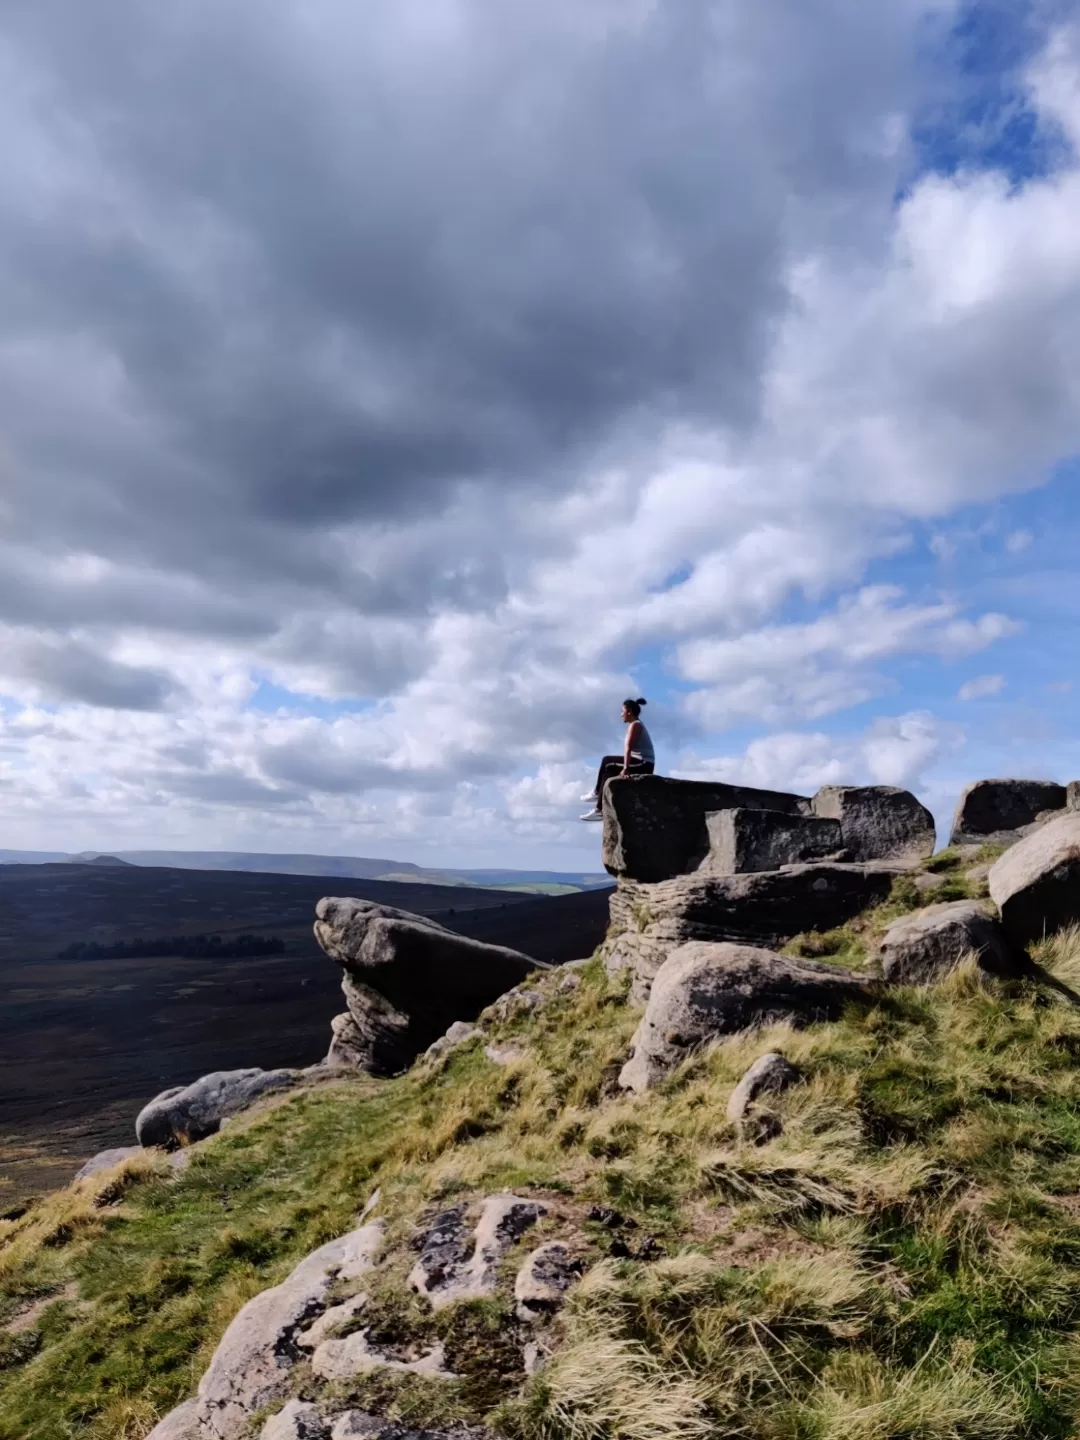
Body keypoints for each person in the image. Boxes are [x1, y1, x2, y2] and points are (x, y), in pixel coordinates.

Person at [580, 697, 655, 820]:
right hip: (640, 761)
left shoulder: (635, 725)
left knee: (607, 761)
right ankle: (599, 807)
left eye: (622, 711)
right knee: (608, 771)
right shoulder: (634, 724)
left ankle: (597, 796)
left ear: (629, 711)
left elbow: (628, 747)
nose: (621, 715)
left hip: (644, 763)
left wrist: (626, 768)